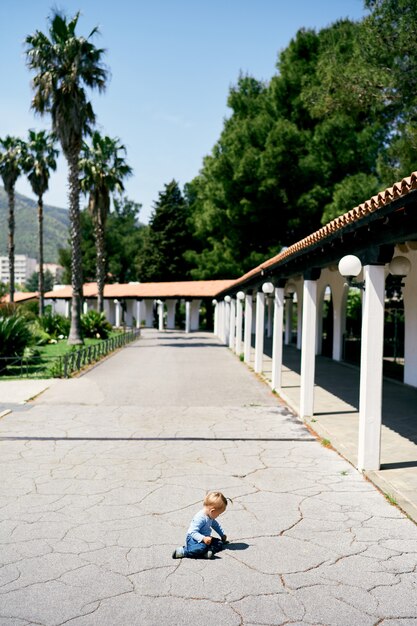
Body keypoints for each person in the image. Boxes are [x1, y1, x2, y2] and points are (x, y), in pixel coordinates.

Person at [172, 491, 230, 559]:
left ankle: (206, 552)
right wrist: (203, 538)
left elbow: (216, 525)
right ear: (212, 511)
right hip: (194, 539)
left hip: (205, 539)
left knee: (219, 543)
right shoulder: (200, 518)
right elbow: (192, 532)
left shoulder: (210, 516)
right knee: (200, 548)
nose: (218, 516)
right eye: (218, 514)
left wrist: (222, 534)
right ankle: (183, 551)